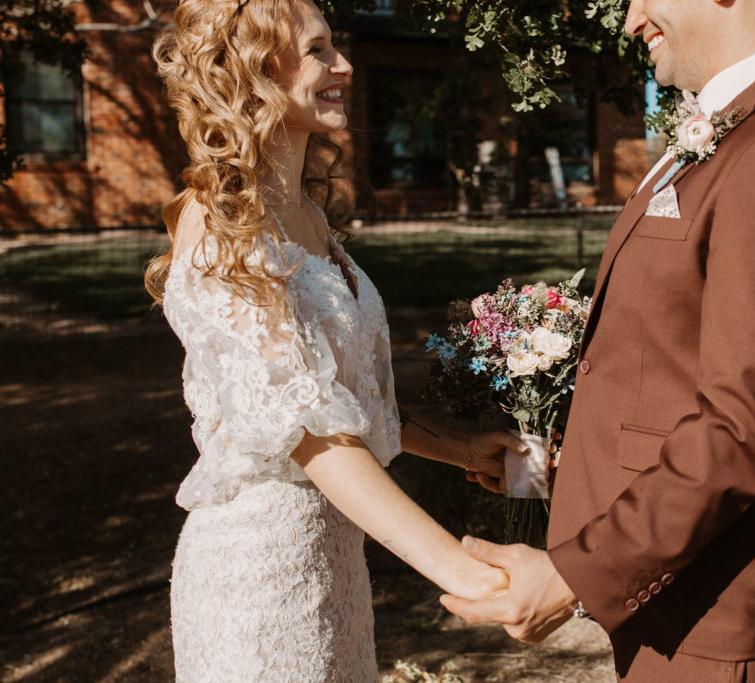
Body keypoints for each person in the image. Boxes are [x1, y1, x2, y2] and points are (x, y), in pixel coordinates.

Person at [440, 0, 755, 680]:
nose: (629, 19)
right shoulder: (735, 128)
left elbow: (744, 425)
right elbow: (676, 361)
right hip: (682, 587)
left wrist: (575, 576)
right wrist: (570, 464)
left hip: (722, 608)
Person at [145, 0, 526, 679]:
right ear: (257, 69)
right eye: (319, 50)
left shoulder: (310, 216)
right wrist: (471, 575)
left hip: (336, 568)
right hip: (256, 582)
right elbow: (311, 429)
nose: (343, 66)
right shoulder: (216, 223)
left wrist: (460, 448)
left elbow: (344, 400)